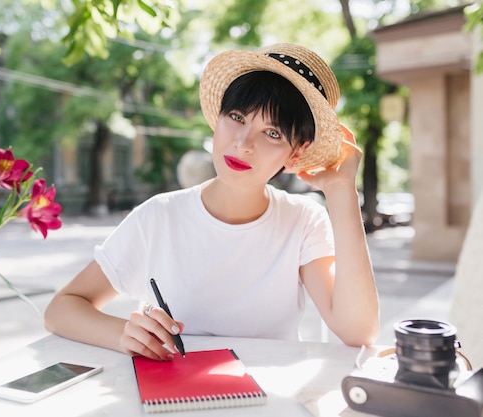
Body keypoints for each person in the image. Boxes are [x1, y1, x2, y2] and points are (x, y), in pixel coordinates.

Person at [45, 43, 380, 361]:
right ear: (217, 119)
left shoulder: (303, 220)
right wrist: (124, 334)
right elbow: (61, 309)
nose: (244, 143)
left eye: (273, 133)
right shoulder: (158, 217)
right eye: (237, 117)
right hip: (175, 396)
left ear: (297, 153)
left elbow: (358, 331)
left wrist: (341, 190)